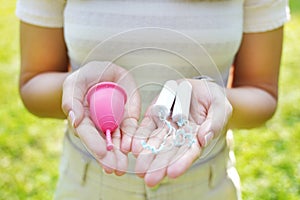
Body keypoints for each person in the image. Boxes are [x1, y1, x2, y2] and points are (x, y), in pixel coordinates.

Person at [16, 0, 290, 199]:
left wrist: (215, 101)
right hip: (87, 185)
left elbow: (262, 92)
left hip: (207, 187)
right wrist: (75, 86)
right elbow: (33, 83)